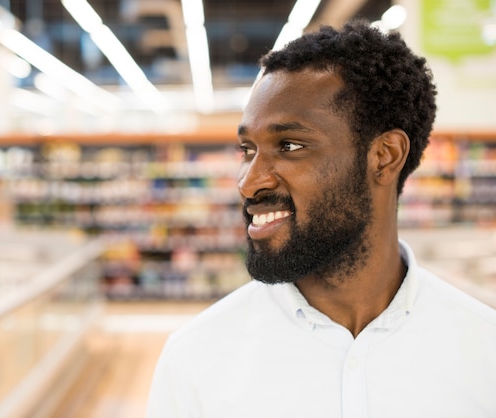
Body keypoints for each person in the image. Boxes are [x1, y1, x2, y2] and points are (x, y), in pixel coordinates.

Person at [146, 21, 496, 418]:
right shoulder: (196, 360)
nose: (248, 183)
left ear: (385, 156)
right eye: (248, 149)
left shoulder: (485, 355)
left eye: (290, 145)